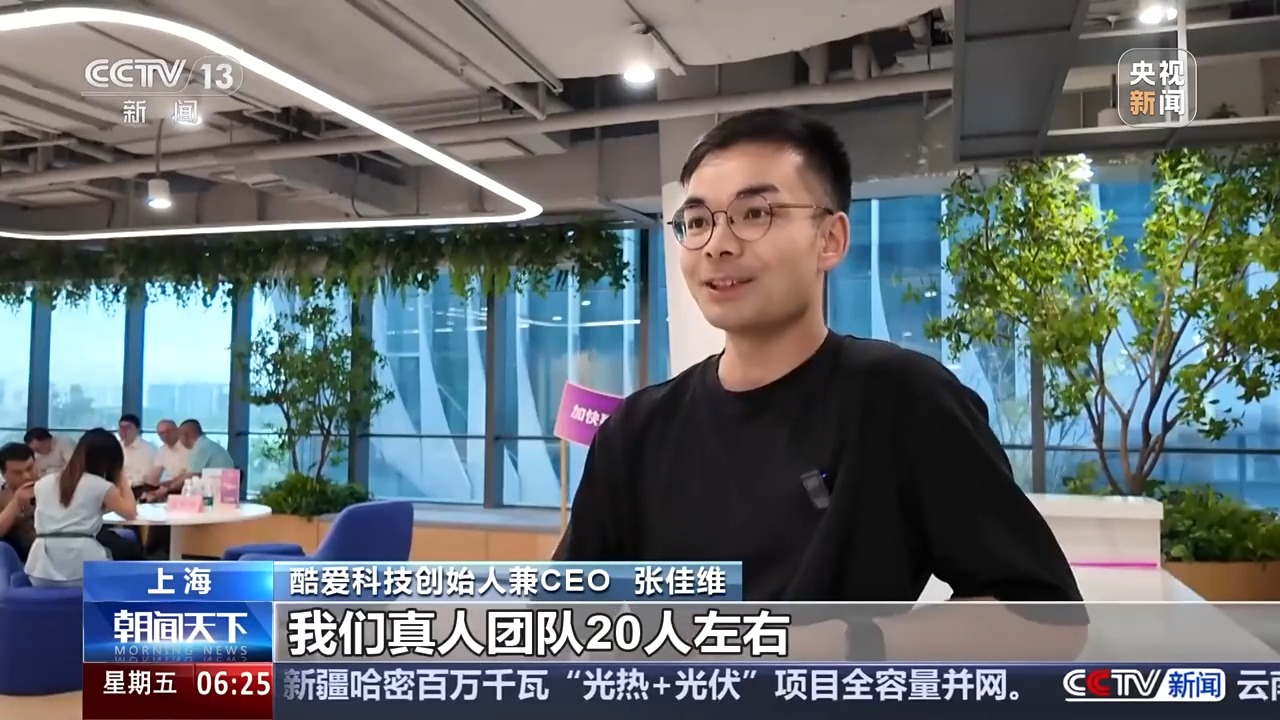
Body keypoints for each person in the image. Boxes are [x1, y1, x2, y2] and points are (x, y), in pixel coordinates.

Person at [556, 109, 1085, 660]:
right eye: (696, 221)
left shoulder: (901, 400)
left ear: (830, 239)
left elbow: (1050, 620)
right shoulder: (636, 431)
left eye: (754, 213)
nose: (717, 244)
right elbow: (557, 625)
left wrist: (849, 644)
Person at [25, 428, 143, 587]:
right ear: (111, 460)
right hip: (82, 571)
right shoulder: (101, 486)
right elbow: (130, 512)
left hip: (40, 572)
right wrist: (119, 474)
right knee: (130, 571)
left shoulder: (42, 483)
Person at [0, 442, 38, 562]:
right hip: (26, 560)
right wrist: (16, 502)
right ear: (3, 474)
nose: (27, 476)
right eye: (17, 473)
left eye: (30, 468)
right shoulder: (2, 497)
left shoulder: (53, 486)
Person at [117, 413, 156, 499]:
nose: (123, 431)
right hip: (119, 488)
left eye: (128, 428)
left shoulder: (148, 449)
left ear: (137, 430)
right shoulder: (116, 447)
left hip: (140, 489)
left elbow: (147, 477)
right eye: (121, 427)